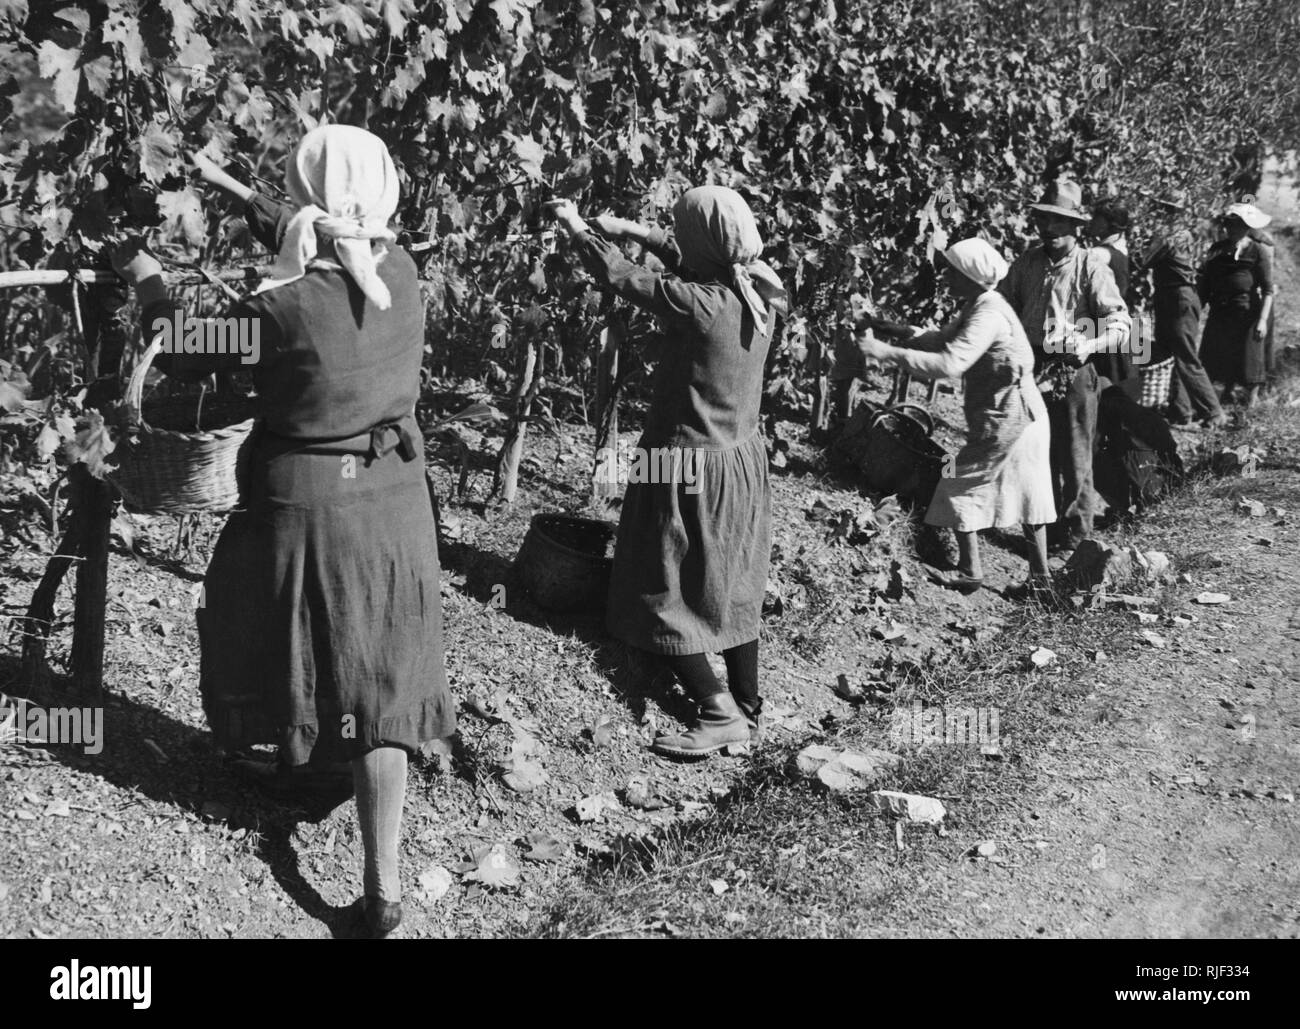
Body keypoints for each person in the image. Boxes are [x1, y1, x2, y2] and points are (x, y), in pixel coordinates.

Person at [111, 126, 454, 939]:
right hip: (396, 501)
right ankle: (385, 880)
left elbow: (189, 351)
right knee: (381, 676)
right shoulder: (403, 276)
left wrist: (150, 281)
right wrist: (231, 190)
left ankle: (286, 759)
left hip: (306, 506)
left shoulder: (281, 308)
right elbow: (327, 229)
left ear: (315, 203)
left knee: (264, 616)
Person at [545, 187, 786, 759]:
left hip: (680, 463)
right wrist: (633, 226)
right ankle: (748, 702)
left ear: (703, 243)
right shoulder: (760, 292)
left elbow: (624, 278)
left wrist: (578, 226)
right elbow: (686, 262)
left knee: (656, 581)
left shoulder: (699, 304)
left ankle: (716, 709)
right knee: (730, 577)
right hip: (740, 462)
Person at [857, 239, 1055, 594]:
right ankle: (1041, 579)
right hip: (1028, 413)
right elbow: (945, 339)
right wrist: (902, 333)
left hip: (1008, 417)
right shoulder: (983, 304)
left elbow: (950, 363)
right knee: (1031, 491)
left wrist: (886, 353)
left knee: (955, 479)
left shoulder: (988, 315)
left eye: (951, 270)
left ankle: (969, 572)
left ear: (969, 276)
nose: (944, 276)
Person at [999, 179, 1131, 553]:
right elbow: (1002, 305)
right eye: (1044, 219)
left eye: (1058, 221)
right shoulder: (1027, 262)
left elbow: (1121, 323)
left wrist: (1089, 344)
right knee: (1036, 451)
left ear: (1075, 226)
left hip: (1072, 371)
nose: (1049, 228)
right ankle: (1042, 527)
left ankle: (1076, 537)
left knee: (1075, 453)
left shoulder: (1091, 265)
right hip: (1031, 368)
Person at [1141, 217, 1226, 427]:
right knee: (1171, 354)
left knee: (1186, 356)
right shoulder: (1183, 234)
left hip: (1178, 298)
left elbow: (1144, 260)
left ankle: (1214, 412)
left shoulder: (1170, 236)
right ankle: (1181, 411)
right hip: (1171, 297)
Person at [1197, 202, 1274, 408]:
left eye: (1238, 226)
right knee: (1216, 355)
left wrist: (1263, 321)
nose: (1233, 230)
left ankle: (1251, 403)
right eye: (1229, 225)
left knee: (1249, 360)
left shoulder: (1257, 251)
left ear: (1247, 227)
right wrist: (1196, 309)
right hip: (1221, 311)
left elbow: (1268, 290)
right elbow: (1205, 284)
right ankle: (1218, 399)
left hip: (1247, 313)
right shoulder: (1217, 250)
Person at [1086, 199, 1137, 387]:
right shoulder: (1121, 248)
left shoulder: (1099, 253)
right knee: (1122, 388)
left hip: (1106, 327)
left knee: (1106, 387)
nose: (1091, 222)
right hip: (1123, 322)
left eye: (1096, 219)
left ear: (1110, 224)